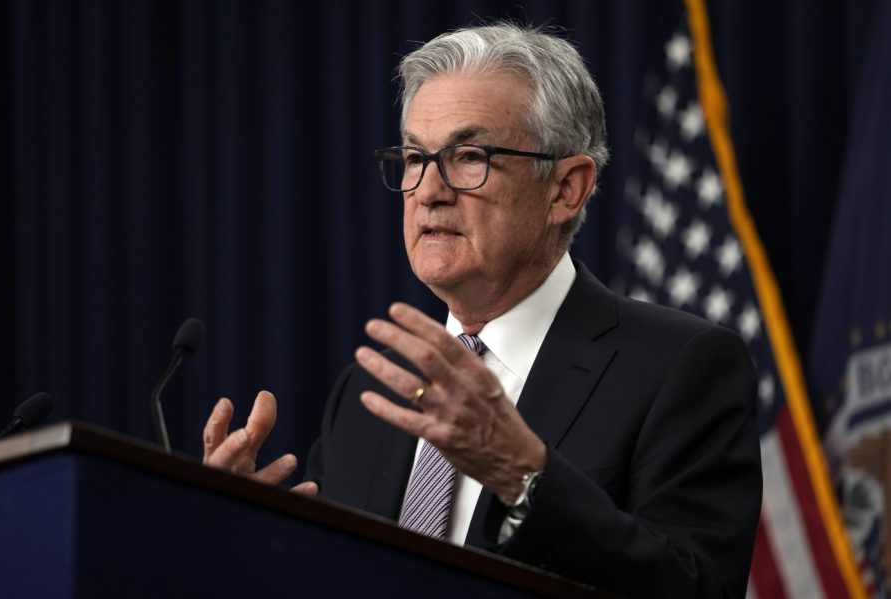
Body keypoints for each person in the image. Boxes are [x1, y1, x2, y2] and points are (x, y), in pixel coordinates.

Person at [201, 23, 762, 598]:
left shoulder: (678, 367)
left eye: (469, 156)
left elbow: (698, 589)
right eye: (415, 157)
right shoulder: (370, 393)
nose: (427, 191)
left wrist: (525, 479)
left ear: (566, 188)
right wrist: (246, 535)